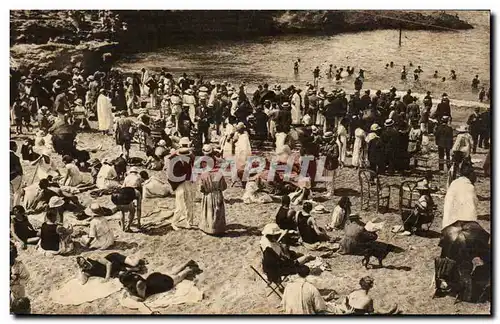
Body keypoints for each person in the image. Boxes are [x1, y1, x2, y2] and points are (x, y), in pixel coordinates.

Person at [119, 260, 201, 301]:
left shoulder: (138, 284)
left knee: (178, 277)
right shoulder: (134, 276)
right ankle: (186, 263)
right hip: (153, 278)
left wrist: (132, 295)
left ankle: (189, 269)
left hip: (157, 285)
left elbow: (142, 297)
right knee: (172, 273)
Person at [198, 145, 228, 236]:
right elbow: (224, 187)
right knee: (217, 212)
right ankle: (218, 229)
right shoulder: (219, 173)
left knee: (208, 212)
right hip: (217, 194)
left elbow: (201, 188)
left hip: (208, 195)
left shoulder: (204, 174)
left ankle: (209, 228)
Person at [167, 137, 195, 231]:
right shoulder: (174, 156)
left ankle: (189, 222)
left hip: (186, 181)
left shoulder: (189, 155)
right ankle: (174, 222)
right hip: (179, 182)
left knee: (188, 203)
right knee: (181, 205)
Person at [443, 163, 478, 229]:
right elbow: (473, 208)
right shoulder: (469, 187)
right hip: (461, 226)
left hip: (447, 225)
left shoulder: (454, 183)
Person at [76, 253, 144, 284]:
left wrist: (107, 277)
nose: (86, 264)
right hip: (114, 271)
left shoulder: (93, 257)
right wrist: (79, 270)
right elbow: (83, 282)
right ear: (81, 266)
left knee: (134, 263)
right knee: (134, 270)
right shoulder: (86, 271)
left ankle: (133, 257)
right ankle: (130, 267)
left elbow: (108, 263)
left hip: (114, 259)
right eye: (83, 264)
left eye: (85, 261)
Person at [320, 131, 340, 198]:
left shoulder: (335, 145)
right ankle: (329, 190)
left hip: (331, 164)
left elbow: (336, 155)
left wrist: (327, 154)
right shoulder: (327, 144)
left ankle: (330, 192)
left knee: (330, 179)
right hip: (327, 163)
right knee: (327, 178)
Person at [10, 141, 23, 206]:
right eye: (16, 146)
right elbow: (18, 169)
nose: (17, 148)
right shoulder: (15, 157)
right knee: (17, 193)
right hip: (14, 177)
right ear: (13, 147)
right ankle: (16, 207)